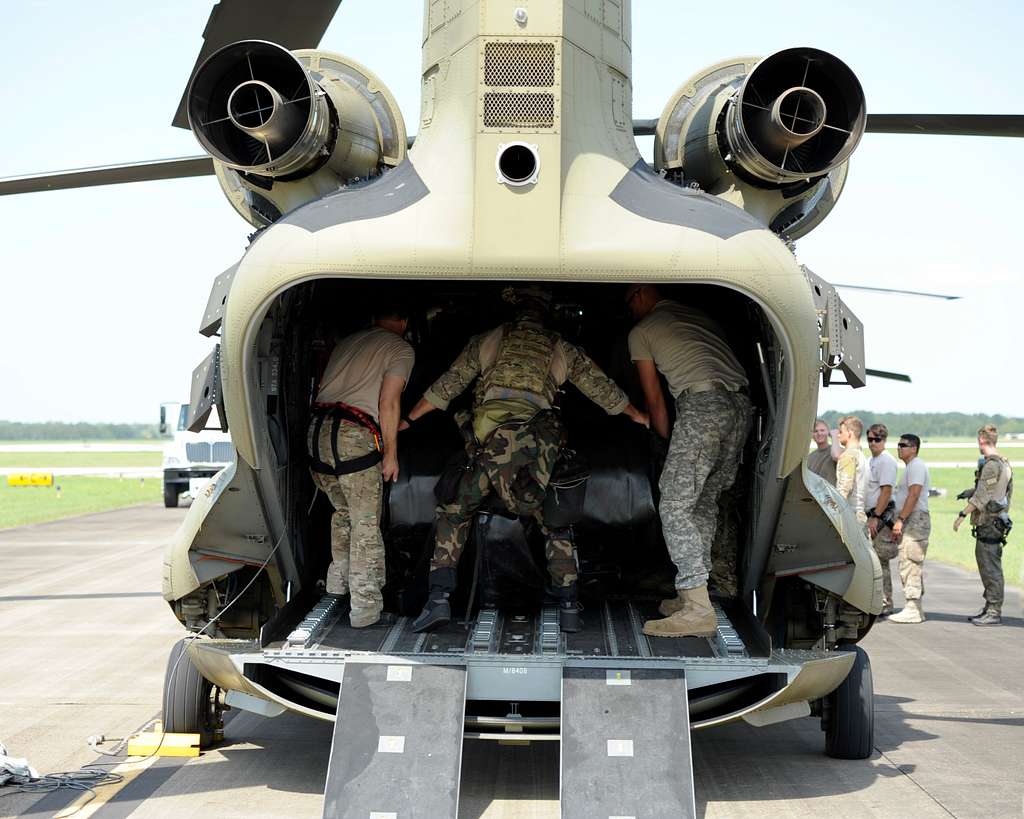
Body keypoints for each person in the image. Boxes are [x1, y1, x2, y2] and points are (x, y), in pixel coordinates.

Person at [405, 287, 648, 633]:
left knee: (456, 513)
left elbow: (448, 386)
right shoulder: (561, 347)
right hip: (536, 449)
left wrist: (408, 419)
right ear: (546, 312)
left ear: (514, 310)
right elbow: (601, 389)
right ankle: (568, 606)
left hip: (488, 448)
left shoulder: (488, 339)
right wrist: (638, 415)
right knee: (554, 521)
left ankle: (439, 599)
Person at [623, 284, 752, 639]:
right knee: (704, 502)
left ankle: (697, 609)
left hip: (702, 408)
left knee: (675, 504)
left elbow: (657, 404)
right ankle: (692, 596)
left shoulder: (642, 331)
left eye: (628, 302)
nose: (630, 310)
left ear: (639, 294)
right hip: (741, 408)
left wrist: (662, 440)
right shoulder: (699, 317)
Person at [307, 302, 413, 628]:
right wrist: (391, 453)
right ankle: (365, 612)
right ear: (405, 320)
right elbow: (388, 402)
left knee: (343, 514)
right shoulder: (400, 349)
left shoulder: (349, 341)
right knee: (366, 524)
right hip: (354, 436)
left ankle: (337, 589)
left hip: (318, 434)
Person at [953, 424, 1013, 626]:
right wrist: (969, 492)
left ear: (981, 441)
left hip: (990, 523)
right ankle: (990, 607)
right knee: (987, 566)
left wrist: (962, 514)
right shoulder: (1002, 463)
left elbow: (983, 496)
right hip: (992, 522)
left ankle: (994, 611)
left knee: (991, 569)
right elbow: (989, 490)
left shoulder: (992, 465)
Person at [888, 433, 931, 624]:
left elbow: (914, 494)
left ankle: (913, 608)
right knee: (908, 560)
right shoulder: (910, 467)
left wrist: (900, 520)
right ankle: (915, 607)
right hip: (910, 518)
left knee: (910, 561)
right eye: (898, 445)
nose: (899, 448)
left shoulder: (916, 466)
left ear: (914, 448)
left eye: (903, 445)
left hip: (914, 520)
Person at [865, 424, 899, 616]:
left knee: (881, 560)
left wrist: (876, 517)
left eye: (877, 439)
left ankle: (886, 602)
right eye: (870, 439)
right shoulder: (871, 460)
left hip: (881, 516)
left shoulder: (886, 461)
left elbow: (886, 491)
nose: (873, 443)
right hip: (871, 514)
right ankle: (879, 600)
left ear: (884, 440)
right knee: (873, 560)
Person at [835, 416, 869, 523]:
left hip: (850, 516)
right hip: (859, 514)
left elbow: (843, 490)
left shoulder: (849, 455)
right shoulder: (861, 455)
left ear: (850, 433)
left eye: (841, 432)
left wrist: (834, 514)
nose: (838, 435)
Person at [807, 419, 838, 484]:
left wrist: (834, 436)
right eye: (815, 431)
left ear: (828, 432)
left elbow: (836, 455)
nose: (819, 433)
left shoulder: (834, 451)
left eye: (822, 430)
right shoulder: (810, 457)